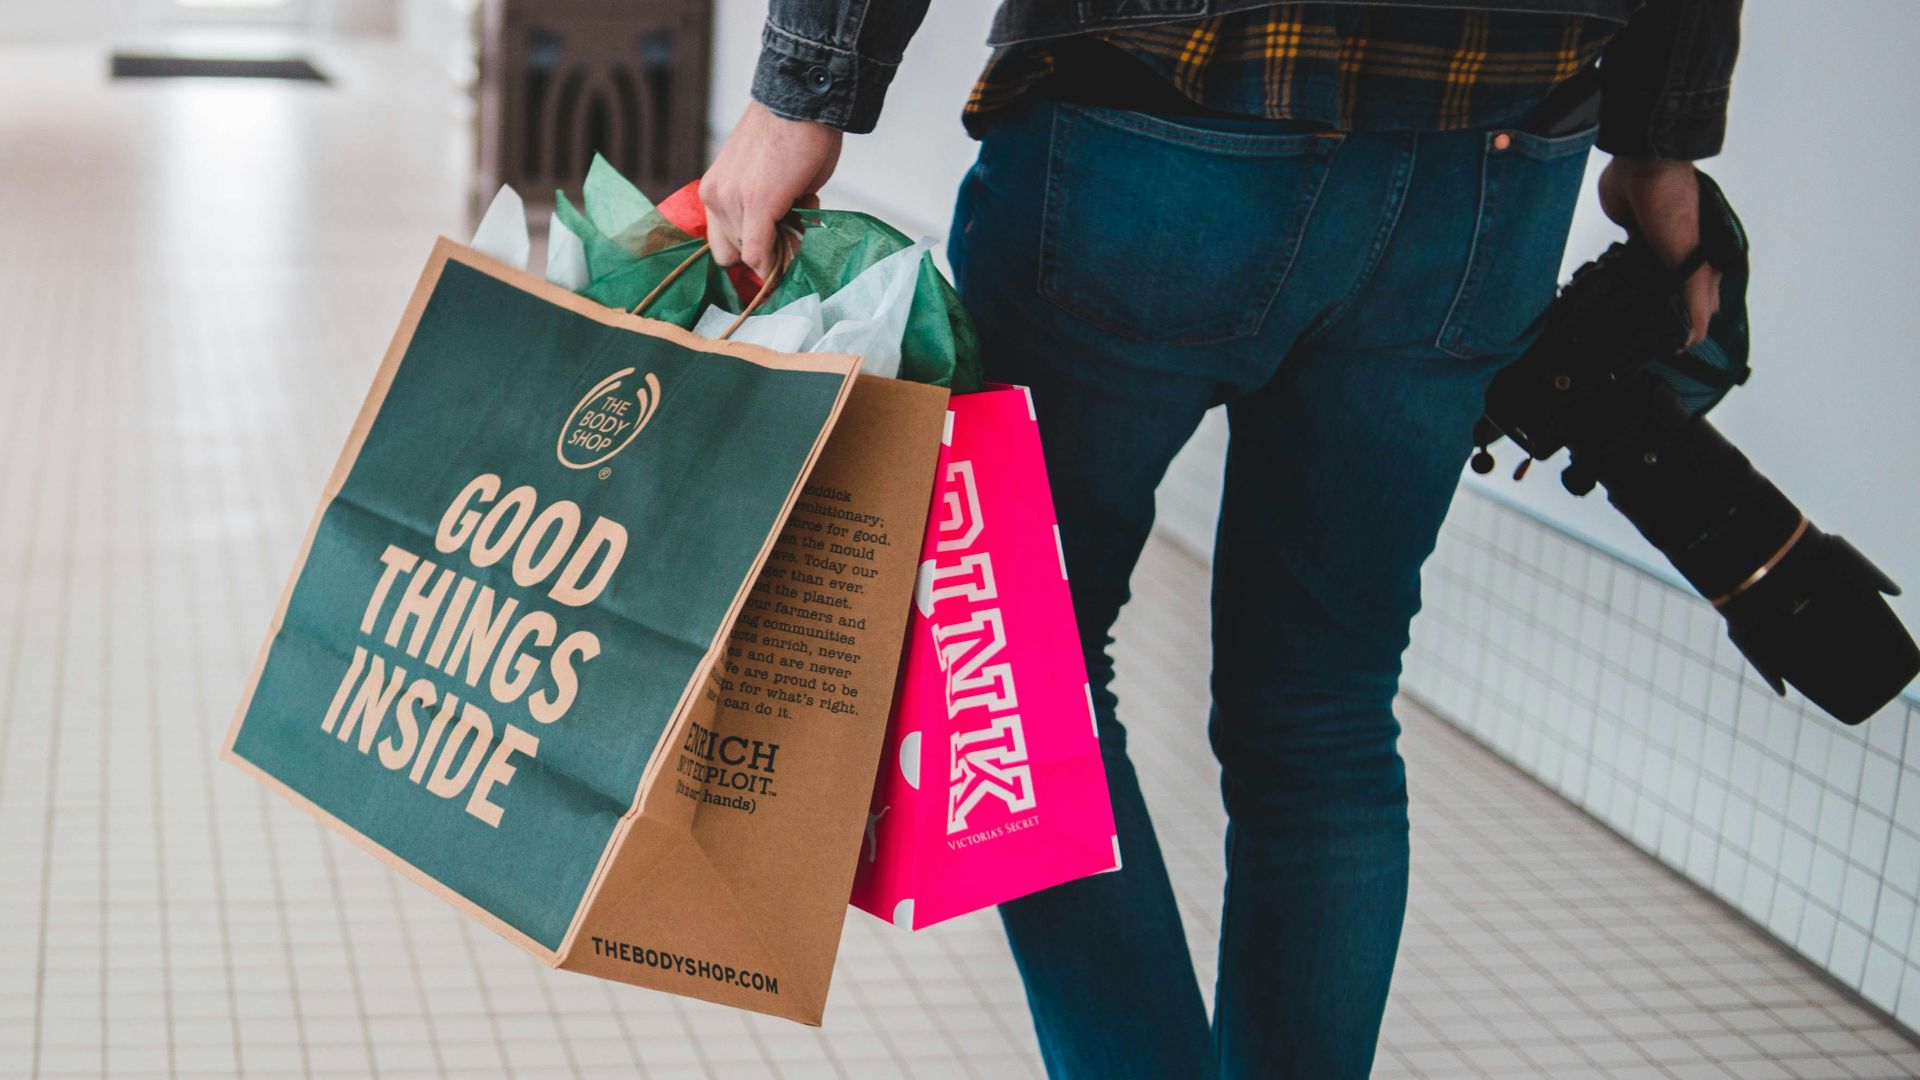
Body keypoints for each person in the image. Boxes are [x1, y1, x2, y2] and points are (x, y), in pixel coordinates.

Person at [701, 2, 1741, 1076]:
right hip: (1496, 163)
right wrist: (1660, 153)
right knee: (1325, 706)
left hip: (1154, 115)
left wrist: (805, 88)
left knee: (1016, 661)